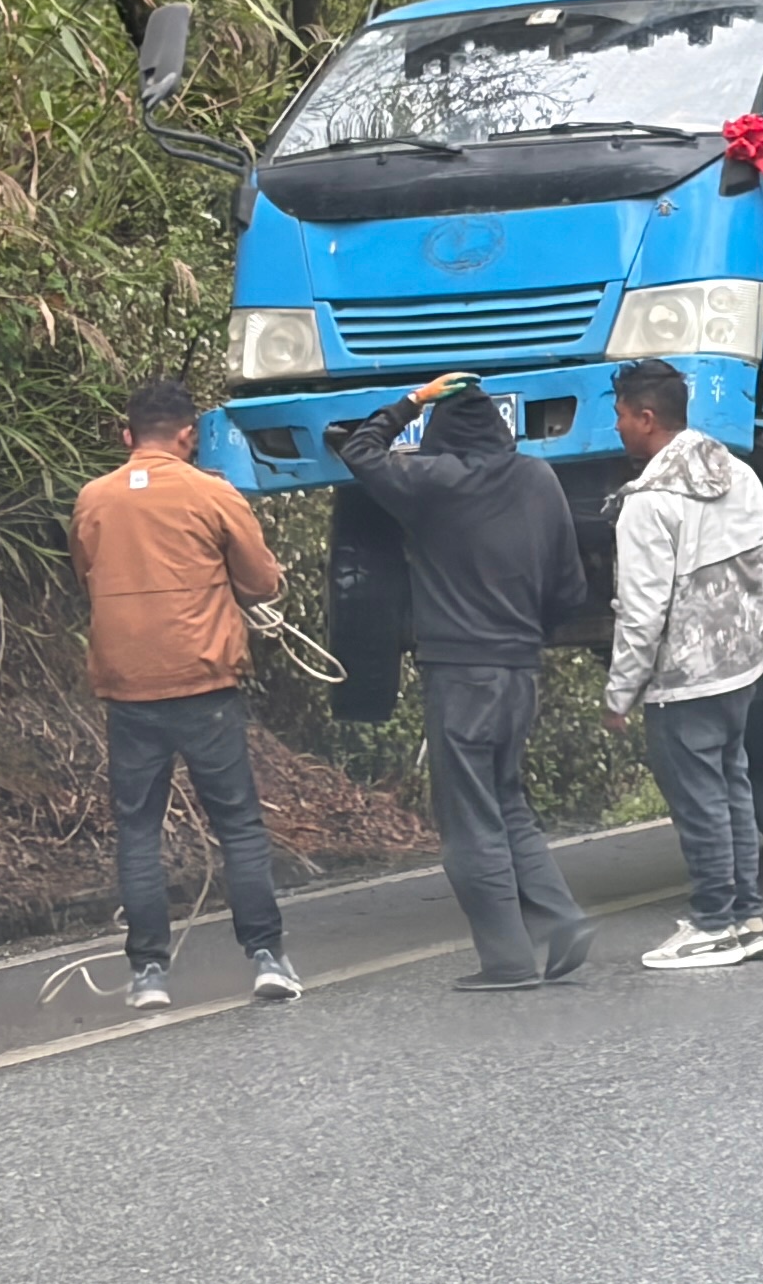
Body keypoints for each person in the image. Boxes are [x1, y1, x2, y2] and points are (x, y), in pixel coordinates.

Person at [331, 373, 596, 990]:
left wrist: (412, 402)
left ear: (444, 437)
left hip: (459, 674)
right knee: (508, 803)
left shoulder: (435, 482)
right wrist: (530, 631)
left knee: (469, 818)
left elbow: (361, 453)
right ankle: (562, 919)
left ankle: (506, 959)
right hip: (519, 672)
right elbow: (570, 590)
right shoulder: (540, 480)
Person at [70, 378, 302, 1011]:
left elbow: (85, 573)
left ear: (127, 436)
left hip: (128, 689)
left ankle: (148, 973)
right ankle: (266, 957)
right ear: (189, 436)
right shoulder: (212, 493)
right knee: (238, 826)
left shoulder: (93, 499)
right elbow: (259, 581)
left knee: (139, 831)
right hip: (204, 684)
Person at [600, 360, 763, 968]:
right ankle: (746, 917)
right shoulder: (743, 476)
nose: (617, 426)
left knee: (699, 799)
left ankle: (713, 924)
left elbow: (643, 612)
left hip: (684, 675)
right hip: (742, 662)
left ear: (647, 418)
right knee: (732, 789)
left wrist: (621, 691)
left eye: (621, 414)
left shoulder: (648, 503)